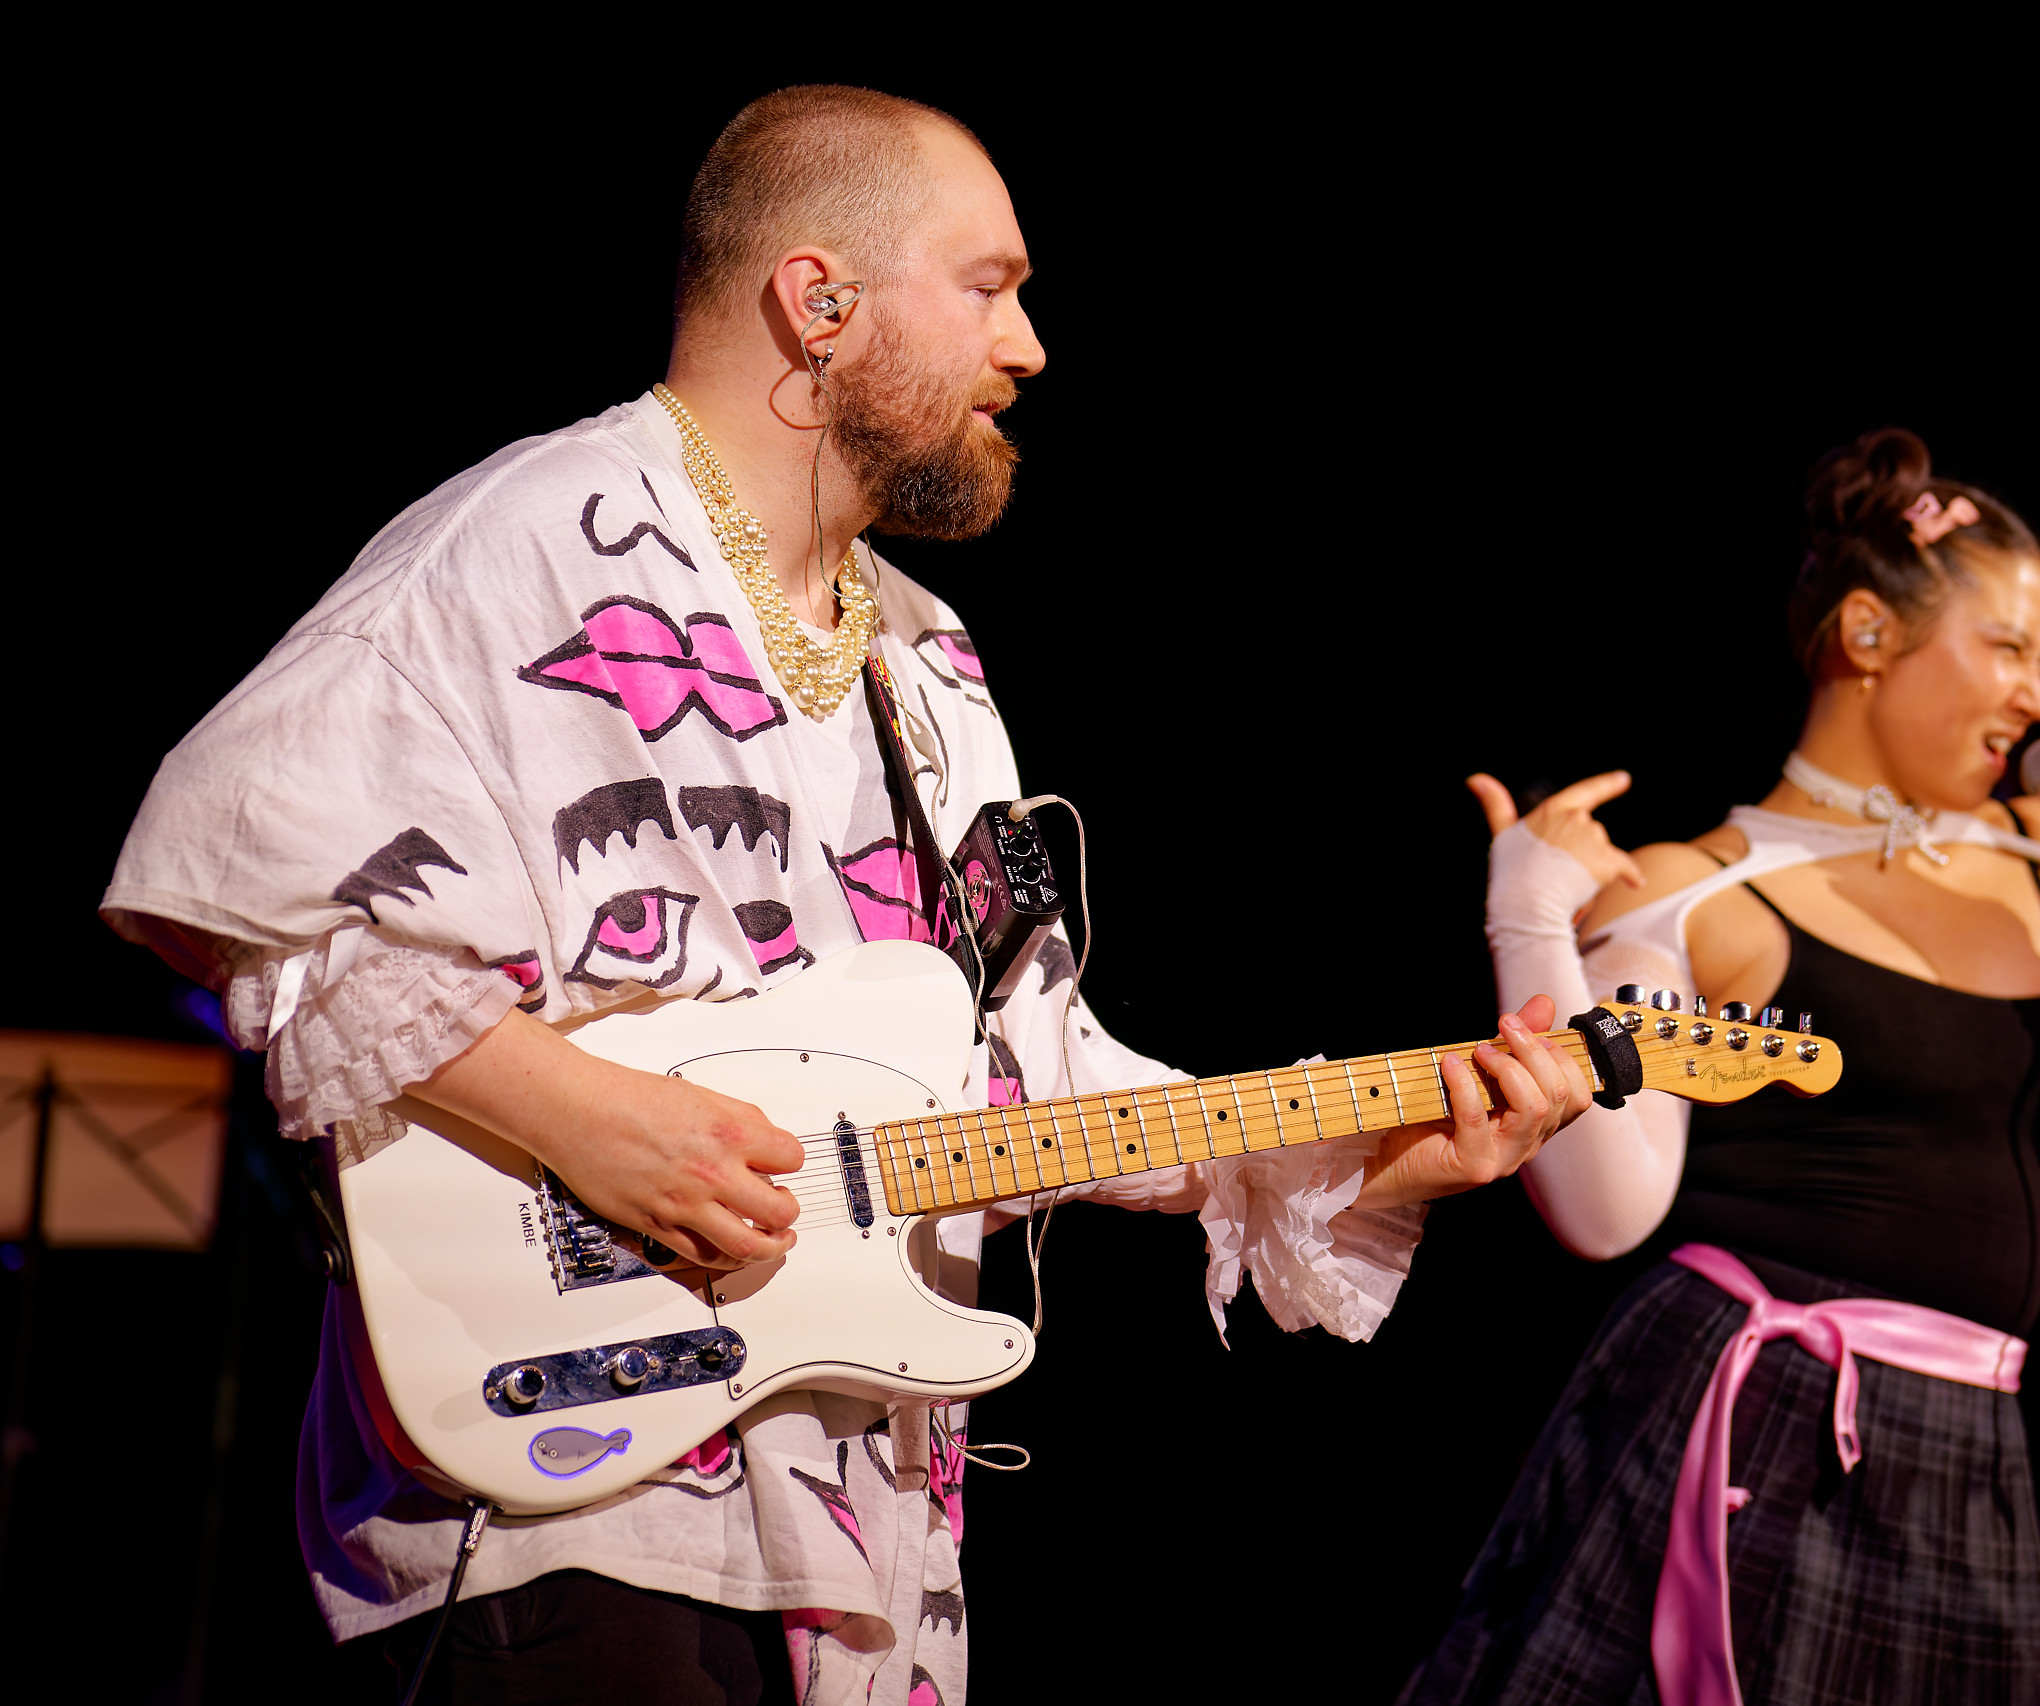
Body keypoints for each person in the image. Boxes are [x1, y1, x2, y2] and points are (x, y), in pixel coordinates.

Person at [102, 87, 1589, 1705]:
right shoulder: (525, 542)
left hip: (869, 1546)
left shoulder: (929, 660)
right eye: (989, 286)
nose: (1029, 348)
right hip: (566, 1511)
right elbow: (227, 881)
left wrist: (1358, 1137)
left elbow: (1030, 1078)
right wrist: (594, 1120)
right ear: (819, 301)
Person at [1405, 428, 2040, 1706]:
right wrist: (1527, 917)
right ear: (1867, 634)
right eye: (2009, 649)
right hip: (1732, 1405)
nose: (2037, 698)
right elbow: (1606, 1209)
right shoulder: (1694, 886)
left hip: (1963, 1443)